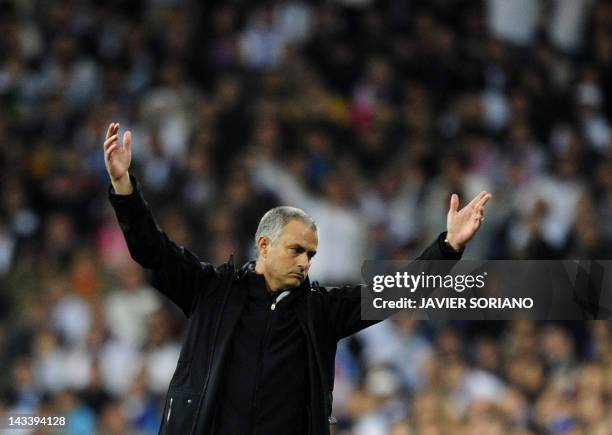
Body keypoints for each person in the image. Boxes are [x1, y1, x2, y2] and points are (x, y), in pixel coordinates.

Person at [103, 122, 491, 435]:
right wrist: (124, 188)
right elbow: (152, 250)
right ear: (264, 244)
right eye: (297, 250)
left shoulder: (320, 310)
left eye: (311, 254)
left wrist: (448, 248)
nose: (306, 262)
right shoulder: (212, 290)